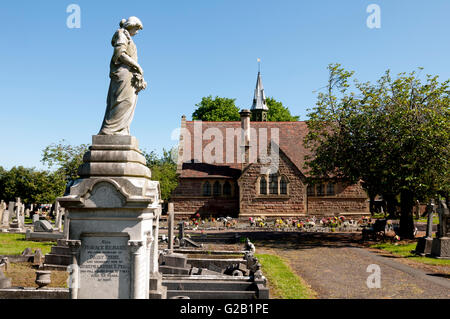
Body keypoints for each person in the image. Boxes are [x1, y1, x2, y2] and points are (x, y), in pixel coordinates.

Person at [99, 17, 147, 135]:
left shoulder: (128, 37)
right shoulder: (121, 34)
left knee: (129, 102)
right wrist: (138, 66)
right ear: (131, 26)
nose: (137, 32)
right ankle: (111, 130)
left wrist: (139, 76)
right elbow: (120, 54)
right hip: (123, 74)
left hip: (129, 74)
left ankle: (122, 129)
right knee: (122, 101)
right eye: (137, 28)